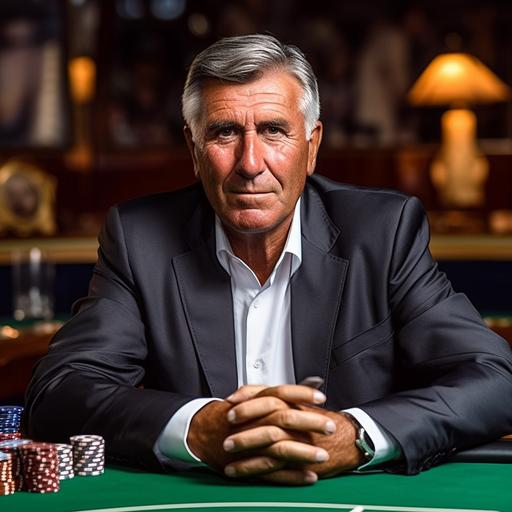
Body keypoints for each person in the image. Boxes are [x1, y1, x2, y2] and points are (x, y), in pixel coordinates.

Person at [24, 34, 512, 486]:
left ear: (312, 146)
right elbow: (61, 391)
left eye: (274, 130)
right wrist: (196, 429)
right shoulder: (140, 238)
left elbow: (494, 379)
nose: (251, 163)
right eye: (224, 133)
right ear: (194, 152)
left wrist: (355, 435)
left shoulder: (382, 232)